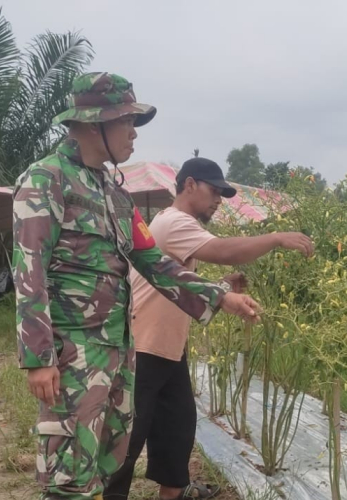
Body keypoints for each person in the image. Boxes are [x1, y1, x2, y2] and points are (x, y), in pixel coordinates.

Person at [12, 73, 262, 500]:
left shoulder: (114, 193)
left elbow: (153, 261)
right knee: (70, 476)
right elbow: (28, 270)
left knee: (106, 465)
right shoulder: (46, 179)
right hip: (73, 355)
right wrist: (39, 357)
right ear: (95, 124)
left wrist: (220, 296)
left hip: (118, 352)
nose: (134, 133)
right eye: (126, 122)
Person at [105, 157, 314, 500]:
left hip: (167, 347)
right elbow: (222, 249)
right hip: (143, 347)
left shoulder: (177, 223)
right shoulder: (174, 221)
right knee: (129, 437)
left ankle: (174, 492)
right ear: (189, 184)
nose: (218, 200)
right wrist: (276, 237)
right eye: (214, 191)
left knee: (177, 426)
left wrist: (222, 286)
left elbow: (179, 284)